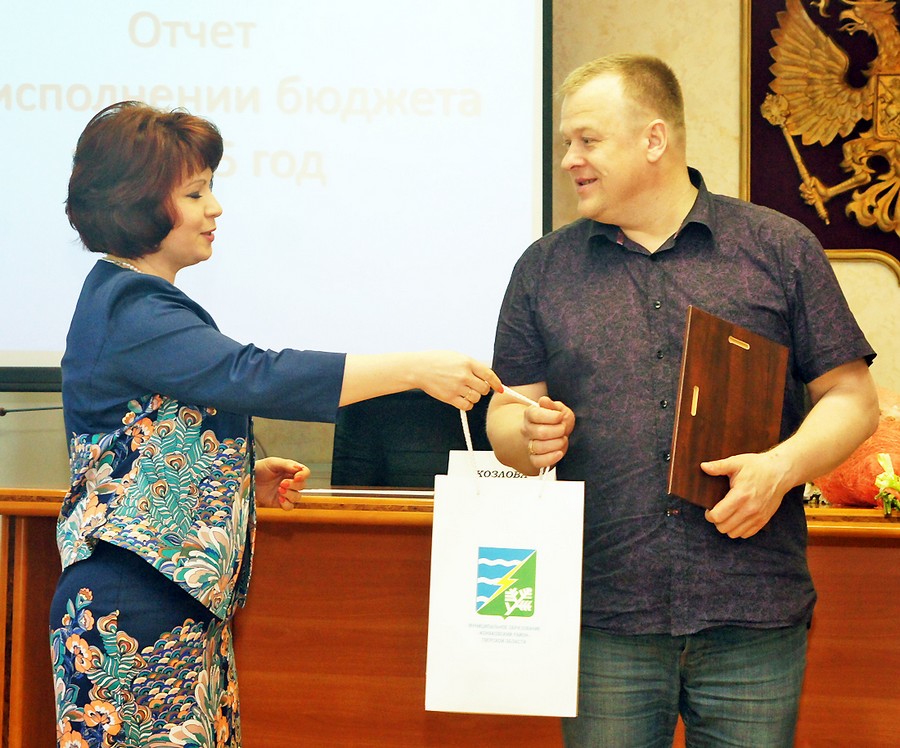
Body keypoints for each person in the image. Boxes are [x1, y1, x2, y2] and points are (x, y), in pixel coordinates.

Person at [51, 100, 501, 747]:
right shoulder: (131, 304)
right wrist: (414, 370)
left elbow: (146, 434)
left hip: (170, 603)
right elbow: (251, 373)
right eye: (195, 192)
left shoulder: (133, 301)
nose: (215, 208)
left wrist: (230, 478)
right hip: (133, 607)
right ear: (140, 200)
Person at [486, 54, 879, 747]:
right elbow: (506, 416)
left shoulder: (778, 248)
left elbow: (852, 399)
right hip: (603, 616)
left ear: (654, 139)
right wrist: (527, 435)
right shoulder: (543, 268)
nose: (569, 159)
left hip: (753, 614)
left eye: (587, 140)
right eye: (566, 143)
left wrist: (781, 469)